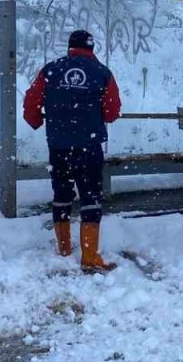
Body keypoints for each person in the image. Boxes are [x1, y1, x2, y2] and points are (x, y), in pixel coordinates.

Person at [23, 29, 121, 271]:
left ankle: (64, 247)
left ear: (69, 47)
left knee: (62, 194)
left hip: (59, 146)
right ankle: (89, 256)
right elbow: (112, 111)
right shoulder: (101, 73)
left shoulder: (51, 70)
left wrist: (37, 120)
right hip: (89, 147)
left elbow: (31, 103)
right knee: (90, 198)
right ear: (91, 48)